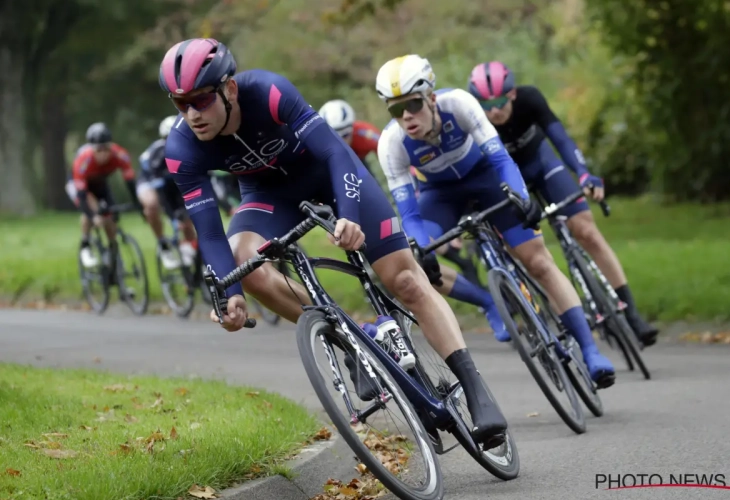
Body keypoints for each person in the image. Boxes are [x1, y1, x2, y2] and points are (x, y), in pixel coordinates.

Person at [158, 38, 509, 447]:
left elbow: (335, 153)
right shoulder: (181, 147)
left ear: (229, 89)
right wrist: (230, 294)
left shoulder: (269, 92)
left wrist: (349, 216)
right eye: (180, 104)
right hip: (268, 198)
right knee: (244, 262)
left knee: (407, 281)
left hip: (335, 176)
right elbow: (211, 231)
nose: (192, 115)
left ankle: (474, 385)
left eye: (200, 100)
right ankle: (352, 338)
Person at [375, 54, 615, 387]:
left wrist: (522, 198)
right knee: (414, 260)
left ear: (431, 97)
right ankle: (488, 301)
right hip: (440, 197)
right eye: (394, 109)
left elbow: (501, 159)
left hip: (486, 179)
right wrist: (422, 246)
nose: (406, 116)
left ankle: (590, 351)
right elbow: (410, 214)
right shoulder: (391, 144)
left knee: (539, 262)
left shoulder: (459, 104)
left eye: (413, 104)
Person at [467, 61, 658, 346]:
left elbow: (560, 138)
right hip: (508, 180)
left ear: (513, 94)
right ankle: (566, 319)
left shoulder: (530, 98)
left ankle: (631, 313)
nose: (493, 110)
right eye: (485, 104)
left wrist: (583, 174)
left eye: (498, 101)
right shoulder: (470, 118)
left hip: (543, 166)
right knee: (532, 255)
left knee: (587, 231)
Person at [72, 123, 141, 268]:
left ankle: (112, 254)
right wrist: (93, 216)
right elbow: (83, 196)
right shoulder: (84, 161)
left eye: (106, 149)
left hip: (100, 184)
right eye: (99, 150)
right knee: (93, 212)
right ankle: (85, 245)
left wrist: (137, 203)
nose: (103, 154)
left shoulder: (119, 155)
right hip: (81, 186)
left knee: (110, 216)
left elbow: (130, 181)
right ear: (92, 149)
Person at [136, 115, 197, 270]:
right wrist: (173, 219)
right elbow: (160, 191)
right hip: (149, 181)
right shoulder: (159, 152)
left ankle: (189, 260)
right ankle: (163, 244)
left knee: (187, 221)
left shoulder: (190, 150)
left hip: (171, 183)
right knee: (152, 205)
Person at [319, 99, 381, 173]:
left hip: (359, 161)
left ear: (352, 128)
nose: (342, 142)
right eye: (335, 137)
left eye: (345, 135)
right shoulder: (319, 144)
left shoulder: (363, 133)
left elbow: (385, 149)